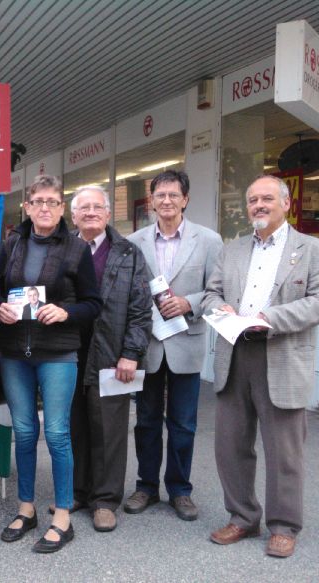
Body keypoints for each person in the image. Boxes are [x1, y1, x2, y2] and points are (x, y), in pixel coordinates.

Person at [202, 174, 319, 558]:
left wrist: (270, 318)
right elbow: (211, 294)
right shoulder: (232, 250)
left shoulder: (314, 250)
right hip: (235, 355)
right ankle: (243, 517)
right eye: (252, 200)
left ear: (286, 203)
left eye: (266, 199)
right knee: (230, 446)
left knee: (284, 451)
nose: (258, 205)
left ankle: (284, 526)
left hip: (281, 354)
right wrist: (218, 307)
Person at [0, 174, 102, 553]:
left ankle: (62, 516)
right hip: (14, 352)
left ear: (61, 208)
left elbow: (93, 303)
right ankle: (26, 508)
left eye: (52, 202)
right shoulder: (11, 244)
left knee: (56, 434)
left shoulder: (77, 249)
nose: (44, 208)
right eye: (38, 201)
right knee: (24, 432)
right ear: (27, 207)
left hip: (58, 352)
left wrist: (66, 311)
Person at [126, 169, 222, 521]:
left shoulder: (209, 240)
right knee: (146, 421)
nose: (166, 201)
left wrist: (188, 303)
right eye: (160, 195)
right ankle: (146, 486)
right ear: (151, 201)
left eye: (173, 195)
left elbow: (217, 291)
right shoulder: (134, 241)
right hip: (148, 343)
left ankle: (180, 490)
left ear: (185, 200)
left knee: (183, 424)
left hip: (186, 341)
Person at [65, 185, 153, 532]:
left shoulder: (128, 253)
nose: (90, 212)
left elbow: (141, 308)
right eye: (83, 207)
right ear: (73, 215)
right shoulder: (63, 248)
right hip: (67, 352)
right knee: (73, 425)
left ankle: (104, 501)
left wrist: (131, 353)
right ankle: (77, 491)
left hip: (112, 353)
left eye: (97, 207)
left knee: (109, 429)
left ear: (107, 213)